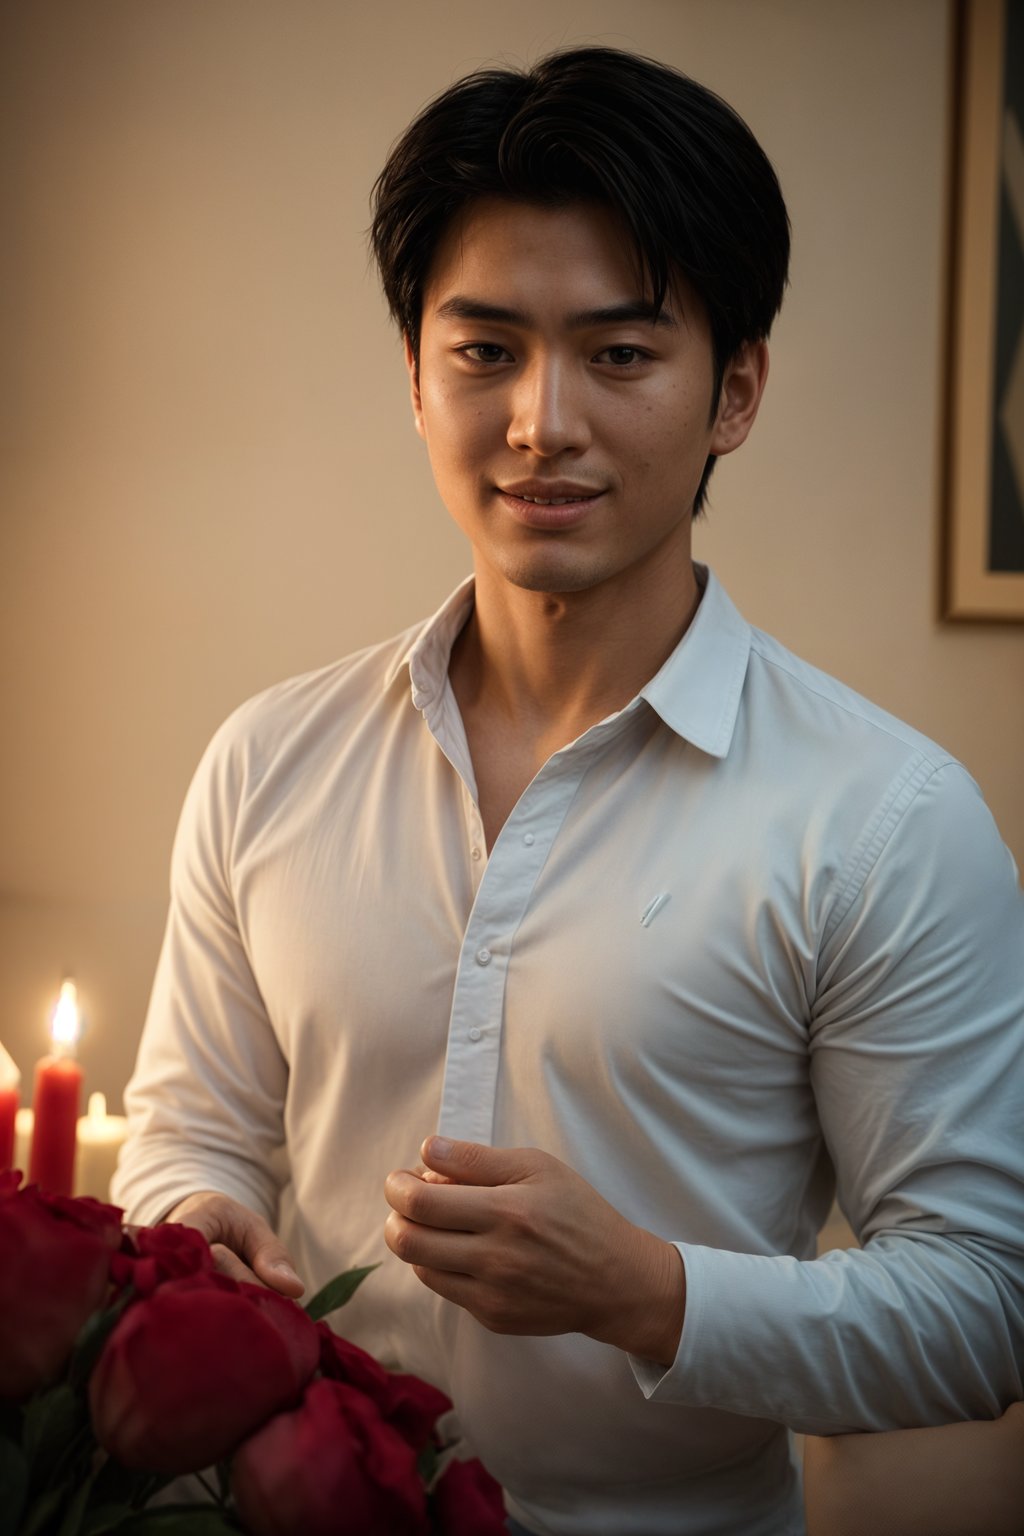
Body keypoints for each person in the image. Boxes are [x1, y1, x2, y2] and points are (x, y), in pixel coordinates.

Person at [112, 46, 1024, 1536]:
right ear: (414, 376)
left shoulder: (882, 819)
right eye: (485, 351)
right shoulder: (267, 761)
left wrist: (647, 1293)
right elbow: (190, 1136)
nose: (541, 422)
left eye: (619, 353)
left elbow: (988, 1304)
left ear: (734, 391)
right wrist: (188, 1222)